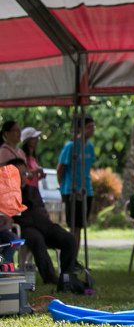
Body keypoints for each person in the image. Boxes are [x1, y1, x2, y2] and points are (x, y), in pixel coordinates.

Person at [9, 158, 77, 286]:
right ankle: (50, 278)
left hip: (45, 225)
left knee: (69, 239)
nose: (23, 177)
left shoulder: (32, 190)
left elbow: (42, 210)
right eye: (18, 174)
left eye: (24, 174)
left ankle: (67, 278)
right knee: (36, 239)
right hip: (26, 228)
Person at [56, 115, 96, 250]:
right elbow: (60, 169)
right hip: (71, 190)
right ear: (80, 129)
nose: (92, 130)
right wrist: (62, 189)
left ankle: (75, 258)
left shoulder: (90, 146)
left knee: (80, 227)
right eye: (89, 127)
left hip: (87, 190)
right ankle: (69, 257)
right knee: (73, 227)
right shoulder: (71, 146)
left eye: (93, 127)